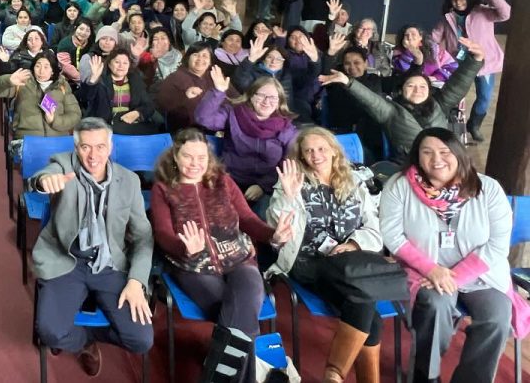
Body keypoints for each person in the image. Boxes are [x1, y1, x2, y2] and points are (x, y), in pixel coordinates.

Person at [380, 128, 530, 383]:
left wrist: (455, 277)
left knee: (497, 317)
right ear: (417, 157)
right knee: (435, 306)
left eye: (444, 151)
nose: (436, 159)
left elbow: (497, 245)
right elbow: (392, 235)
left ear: (459, 154)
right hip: (426, 271)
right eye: (427, 152)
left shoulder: (488, 188)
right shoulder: (399, 186)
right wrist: (432, 270)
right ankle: (427, 375)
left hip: (482, 274)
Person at [151, 128, 293, 383]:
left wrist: (272, 235)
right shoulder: (163, 188)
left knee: (241, 310)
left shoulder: (222, 181)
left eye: (201, 158)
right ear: (175, 156)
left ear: (209, 159)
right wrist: (185, 248)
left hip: (238, 259)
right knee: (243, 318)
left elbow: (247, 218)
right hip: (193, 266)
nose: (195, 164)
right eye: (188, 157)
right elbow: (162, 233)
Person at [30, 117, 154, 376]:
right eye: (85, 147)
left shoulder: (128, 181)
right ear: (76, 148)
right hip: (66, 259)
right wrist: (44, 182)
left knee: (141, 340)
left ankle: (88, 336)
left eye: (100, 146)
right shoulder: (63, 165)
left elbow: (143, 237)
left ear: (110, 147)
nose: (93, 154)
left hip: (109, 264)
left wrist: (136, 281)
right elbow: (45, 176)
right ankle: (84, 343)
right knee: (50, 333)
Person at [266, 128, 384, 383]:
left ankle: (334, 373)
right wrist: (287, 195)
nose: (315, 155)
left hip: (350, 261)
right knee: (366, 303)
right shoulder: (293, 180)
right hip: (309, 261)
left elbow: (374, 226)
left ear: (333, 150)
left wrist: (353, 244)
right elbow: (278, 226)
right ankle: (336, 374)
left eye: (321, 148)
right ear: (302, 156)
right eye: (308, 151)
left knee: (368, 312)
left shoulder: (354, 181)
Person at [318, 39, 484, 163]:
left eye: (422, 87)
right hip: (409, 163)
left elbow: (457, 85)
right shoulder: (392, 110)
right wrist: (348, 82)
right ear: (402, 90)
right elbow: (371, 100)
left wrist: (474, 60)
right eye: (411, 86)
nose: (417, 90)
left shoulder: (439, 104)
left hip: (444, 159)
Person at [196, 69, 298, 216]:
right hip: (231, 179)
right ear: (250, 96)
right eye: (261, 95)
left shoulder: (286, 127)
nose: (266, 101)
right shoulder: (233, 113)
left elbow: (289, 162)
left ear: (279, 102)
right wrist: (218, 91)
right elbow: (203, 119)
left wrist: (263, 186)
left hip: (267, 185)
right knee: (221, 217)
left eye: (273, 98)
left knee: (264, 219)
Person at [432, 0, 510, 142]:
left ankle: (474, 125)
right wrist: (433, 58)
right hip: (459, 65)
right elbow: (434, 38)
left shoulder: (482, 11)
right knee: (454, 97)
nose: (458, 2)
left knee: (485, 98)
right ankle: (453, 129)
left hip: (484, 64)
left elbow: (505, 14)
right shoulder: (448, 18)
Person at [0, 52, 82, 140]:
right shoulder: (23, 81)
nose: (41, 71)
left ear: (53, 71)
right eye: (38, 66)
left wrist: (54, 120)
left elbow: (75, 115)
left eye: (46, 67)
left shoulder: (62, 86)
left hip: (57, 139)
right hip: (28, 138)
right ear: (33, 68)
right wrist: (8, 81)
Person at [82, 49, 160, 135]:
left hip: (129, 121)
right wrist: (93, 79)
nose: (121, 66)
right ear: (109, 64)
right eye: (117, 62)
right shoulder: (101, 80)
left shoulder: (135, 80)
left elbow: (148, 105)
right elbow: (85, 97)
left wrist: (137, 113)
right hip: (105, 124)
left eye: (125, 63)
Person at [156, 43, 216, 131]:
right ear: (188, 58)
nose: (200, 59)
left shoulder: (215, 76)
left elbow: (234, 99)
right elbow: (162, 103)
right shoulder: (175, 77)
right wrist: (184, 96)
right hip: (186, 130)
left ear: (210, 61)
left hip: (216, 126)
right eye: (196, 55)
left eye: (205, 56)